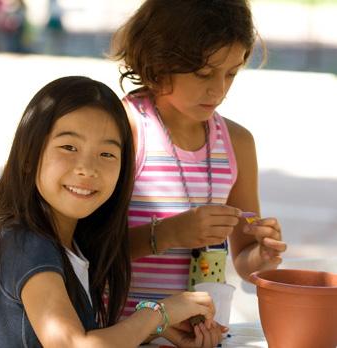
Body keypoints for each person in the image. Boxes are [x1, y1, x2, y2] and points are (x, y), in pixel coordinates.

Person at [0, 76, 222, 347]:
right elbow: (73, 344)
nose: (87, 168)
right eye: (69, 147)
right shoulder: (27, 245)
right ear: (28, 158)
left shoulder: (71, 245)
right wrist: (157, 314)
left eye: (106, 154)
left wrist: (158, 329)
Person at [111, 0, 287, 341]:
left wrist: (262, 257)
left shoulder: (237, 143)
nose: (219, 89)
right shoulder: (124, 128)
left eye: (232, 72)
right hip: (124, 334)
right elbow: (85, 248)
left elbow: (244, 262)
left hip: (202, 336)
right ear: (159, 63)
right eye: (204, 73)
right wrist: (170, 234)